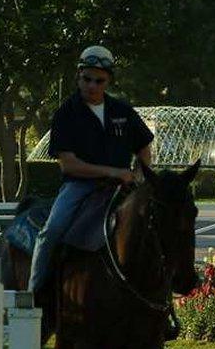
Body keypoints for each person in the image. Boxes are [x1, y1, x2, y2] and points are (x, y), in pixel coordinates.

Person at [28, 45, 154, 294]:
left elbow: (144, 148)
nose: (92, 85)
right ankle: (34, 295)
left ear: (108, 81)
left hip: (124, 187)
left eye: (99, 80)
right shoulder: (66, 113)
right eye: (87, 79)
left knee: (157, 228)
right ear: (78, 76)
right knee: (50, 231)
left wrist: (140, 176)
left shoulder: (123, 111)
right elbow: (68, 164)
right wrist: (113, 172)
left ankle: (161, 298)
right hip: (79, 187)